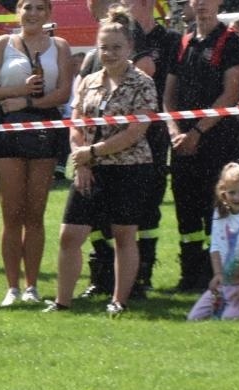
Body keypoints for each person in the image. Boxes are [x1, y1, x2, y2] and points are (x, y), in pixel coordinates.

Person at [48, 9, 158, 315]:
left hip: (129, 168)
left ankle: (118, 301)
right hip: (90, 169)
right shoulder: (88, 81)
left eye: (116, 47)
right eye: (104, 47)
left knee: (124, 235)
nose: (109, 53)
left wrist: (93, 152)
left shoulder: (143, 83)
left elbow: (136, 132)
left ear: (130, 49)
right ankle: (62, 302)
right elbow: (76, 122)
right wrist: (82, 162)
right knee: (70, 235)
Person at [0, 0, 73, 307]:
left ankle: (32, 286)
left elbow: (63, 93)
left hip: (45, 133)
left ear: (49, 14)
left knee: (35, 212)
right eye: (27, 7)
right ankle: (12, 287)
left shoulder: (59, 46)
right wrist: (17, 93)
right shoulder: (2, 44)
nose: (32, 14)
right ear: (18, 12)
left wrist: (30, 105)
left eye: (39, 8)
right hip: (6, 133)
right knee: (12, 212)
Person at [163, 0, 239, 293]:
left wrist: (198, 131)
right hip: (182, 142)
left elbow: (231, 92)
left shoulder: (232, 42)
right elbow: (169, 93)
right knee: (186, 213)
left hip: (216, 142)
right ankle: (190, 276)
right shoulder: (184, 41)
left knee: (216, 211)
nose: (200, 4)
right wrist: (175, 130)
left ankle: (220, 276)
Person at [187, 162, 239, 319]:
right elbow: (215, 247)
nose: (237, 197)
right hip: (227, 281)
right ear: (223, 193)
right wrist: (218, 274)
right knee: (194, 318)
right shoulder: (219, 212)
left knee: (229, 318)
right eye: (232, 193)